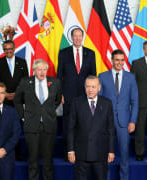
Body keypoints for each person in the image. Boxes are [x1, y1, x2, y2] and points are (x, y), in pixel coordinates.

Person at [14, 59, 62, 180]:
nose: (42, 72)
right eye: (39, 69)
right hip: (31, 125)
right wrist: (23, 116)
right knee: (33, 160)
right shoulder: (25, 82)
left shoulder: (55, 82)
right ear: (34, 70)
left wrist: (48, 111)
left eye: (44, 69)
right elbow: (17, 100)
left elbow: (57, 99)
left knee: (48, 160)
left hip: (49, 124)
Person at [98, 49, 138, 180]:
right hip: (105, 122)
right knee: (105, 155)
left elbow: (135, 101)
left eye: (122, 60)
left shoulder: (130, 77)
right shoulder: (102, 76)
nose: (120, 63)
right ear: (112, 60)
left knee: (124, 156)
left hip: (124, 122)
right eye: (117, 60)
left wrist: (132, 121)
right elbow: (98, 101)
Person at [57, 27, 96, 160]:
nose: (78, 38)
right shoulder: (63, 53)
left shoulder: (90, 53)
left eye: (80, 36)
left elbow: (93, 76)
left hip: (86, 95)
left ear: (82, 37)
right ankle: (67, 152)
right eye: (75, 36)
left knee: (84, 123)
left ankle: (82, 152)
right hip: (68, 95)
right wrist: (60, 93)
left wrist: (93, 94)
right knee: (68, 124)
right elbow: (59, 76)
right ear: (71, 38)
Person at [67, 76, 115, 180]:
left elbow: (110, 129)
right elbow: (71, 128)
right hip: (81, 153)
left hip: (101, 153)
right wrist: (70, 150)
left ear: (99, 88)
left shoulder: (107, 103)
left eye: (93, 87)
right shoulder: (76, 102)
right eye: (88, 86)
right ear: (84, 88)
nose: (90, 90)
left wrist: (111, 150)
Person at [0, 39, 28, 161]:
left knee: (16, 128)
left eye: (10, 49)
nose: (8, 51)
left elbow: (26, 82)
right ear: (3, 50)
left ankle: (17, 153)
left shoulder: (22, 62)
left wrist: (17, 94)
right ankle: (4, 152)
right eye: (5, 49)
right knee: (4, 128)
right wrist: (4, 94)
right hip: (3, 100)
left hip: (17, 102)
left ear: (14, 48)